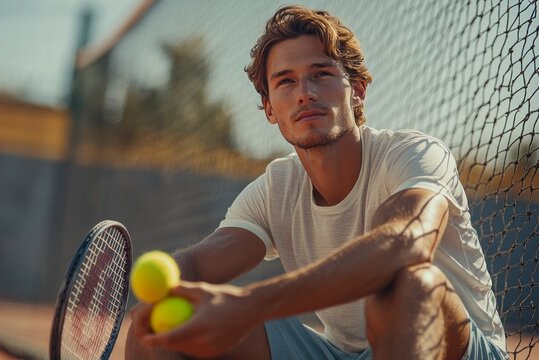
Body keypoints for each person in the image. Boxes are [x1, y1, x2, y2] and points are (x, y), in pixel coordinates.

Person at [126, 5, 507, 360]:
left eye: (321, 74)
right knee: (163, 321)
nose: (305, 94)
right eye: (286, 82)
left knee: (408, 286)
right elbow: (198, 261)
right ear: (271, 109)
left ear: (356, 89)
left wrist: (248, 305)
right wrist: (171, 286)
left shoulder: (413, 154)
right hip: (339, 352)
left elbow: (404, 245)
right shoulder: (277, 188)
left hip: (454, 347)